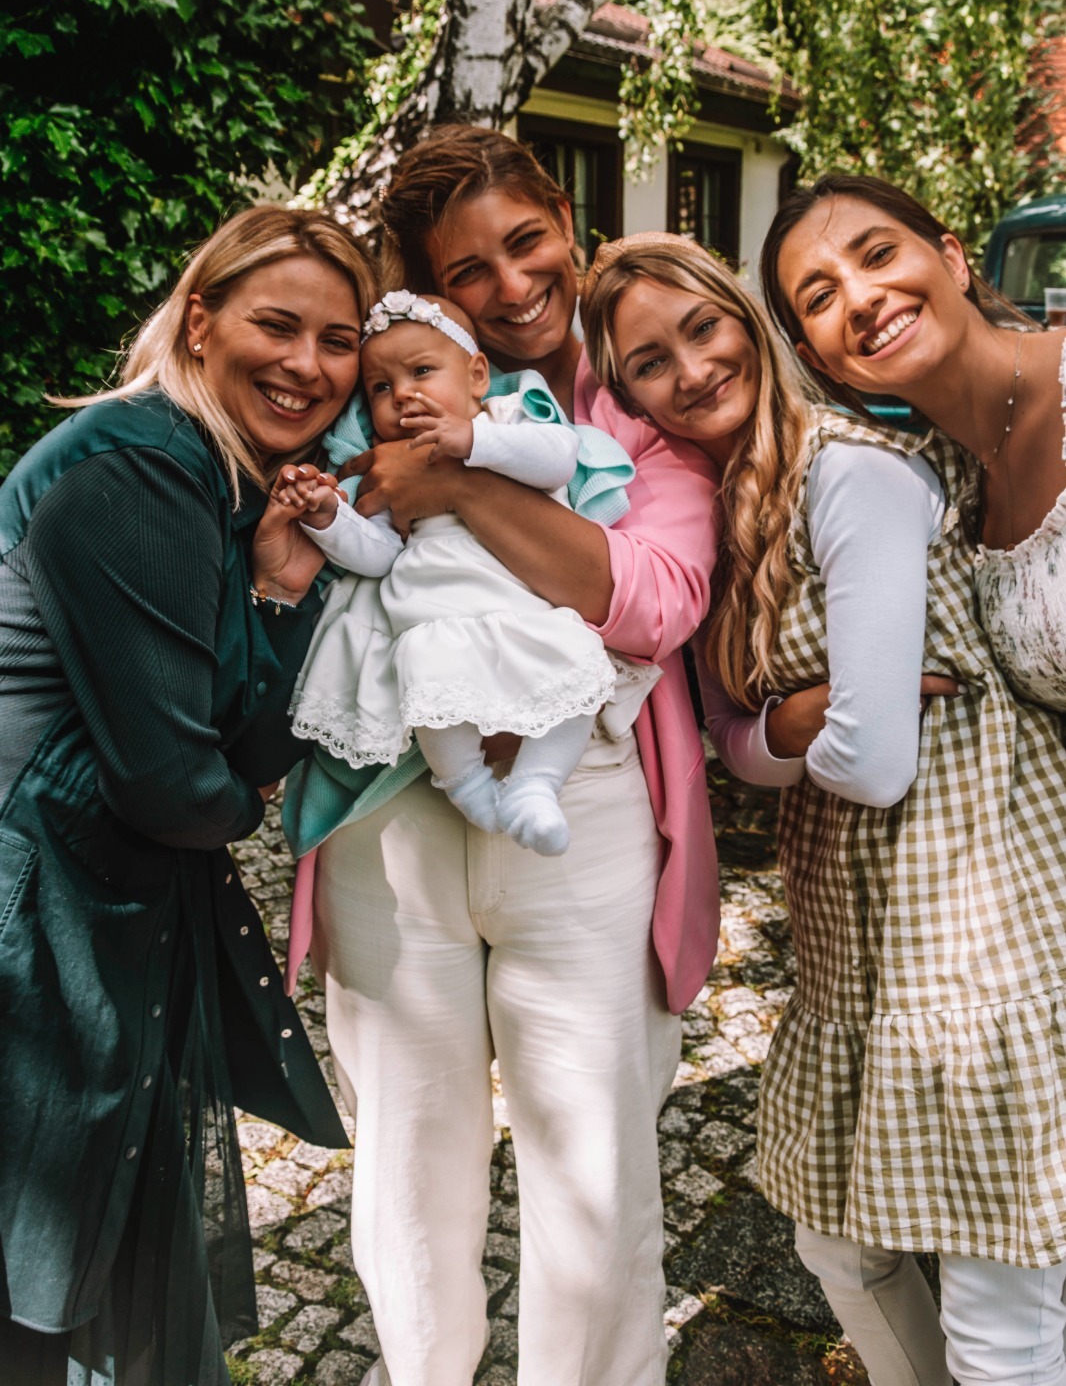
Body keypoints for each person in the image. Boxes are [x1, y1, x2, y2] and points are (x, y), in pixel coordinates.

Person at [581, 229, 1066, 1386]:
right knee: (836, 1246)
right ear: (628, 395)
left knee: (1001, 1302)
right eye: (649, 361)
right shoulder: (730, 506)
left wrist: (808, 733)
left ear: (750, 327)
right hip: (862, 933)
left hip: (976, 911)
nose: (689, 368)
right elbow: (748, 751)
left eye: (703, 325)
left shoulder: (850, 473)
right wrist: (790, 725)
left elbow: (879, 760)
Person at [282, 126, 720, 1386]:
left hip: (575, 805)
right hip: (394, 808)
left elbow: (650, 599)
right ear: (425, 295)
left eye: (526, 241)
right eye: (467, 270)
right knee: (409, 1163)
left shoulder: (636, 419)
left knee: (592, 1169)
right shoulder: (385, 393)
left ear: (567, 229)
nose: (513, 281)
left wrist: (461, 484)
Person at [0, 205, 373, 1386]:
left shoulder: (231, 488)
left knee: (82, 1246)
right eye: (277, 323)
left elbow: (249, 731)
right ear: (200, 319)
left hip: (101, 898)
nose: (308, 364)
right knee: (39, 1252)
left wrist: (276, 588)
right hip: (33, 905)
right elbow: (178, 781)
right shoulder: (139, 461)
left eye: (338, 339)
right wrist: (242, 800)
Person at [280, 288, 657, 856]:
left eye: (422, 371)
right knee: (433, 691)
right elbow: (377, 555)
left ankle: (536, 785)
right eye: (380, 387)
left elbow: (559, 456)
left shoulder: (509, 419)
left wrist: (475, 441)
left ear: (477, 375)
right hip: (436, 613)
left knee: (576, 675)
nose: (402, 393)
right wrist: (329, 517)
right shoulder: (389, 465)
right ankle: (466, 784)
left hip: (528, 609)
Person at [759, 171, 1066, 709]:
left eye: (878, 255)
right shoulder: (947, 494)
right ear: (822, 365)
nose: (860, 299)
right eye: (822, 297)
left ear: (952, 260)